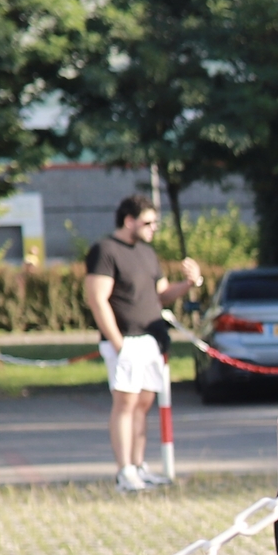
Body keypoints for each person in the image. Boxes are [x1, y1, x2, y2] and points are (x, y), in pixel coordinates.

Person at [83, 196, 202, 492]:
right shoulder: (105, 250)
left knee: (144, 403)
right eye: (148, 222)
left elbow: (161, 294)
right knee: (126, 403)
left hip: (151, 339)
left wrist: (188, 284)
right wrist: (117, 343)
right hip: (126, 339)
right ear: (129, 220)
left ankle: (138, 466)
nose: (153, 228)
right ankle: (124, 472)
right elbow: (97, 299)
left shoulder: (147, 253)